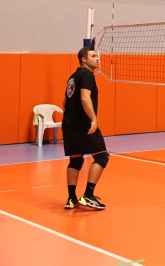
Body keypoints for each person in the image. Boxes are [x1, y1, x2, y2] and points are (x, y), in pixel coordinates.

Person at [62, 47, 109, 210]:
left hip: (68, 124)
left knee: (76, 160)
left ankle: (71, 198)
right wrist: (93, 119)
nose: (97, 59)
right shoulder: (87, 75)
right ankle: (88, 195)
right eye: (93, 56)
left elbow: (64, 102)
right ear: (84, 59)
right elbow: (84, 97)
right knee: (102, 157)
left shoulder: (72, 77)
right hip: (83, 124)